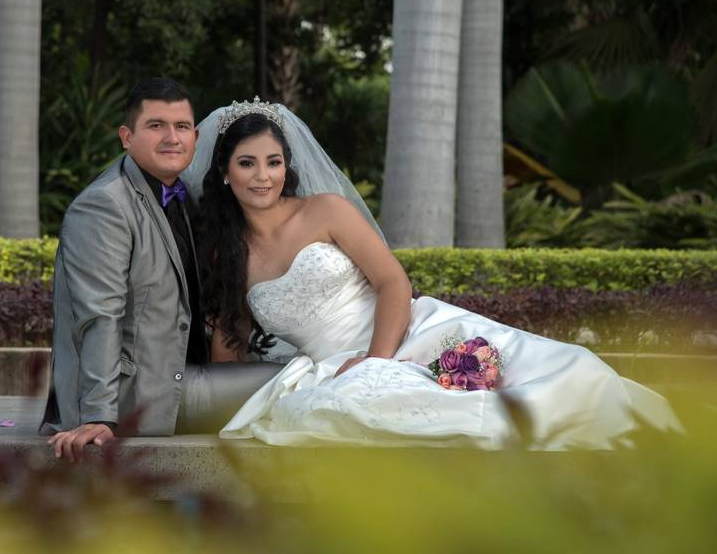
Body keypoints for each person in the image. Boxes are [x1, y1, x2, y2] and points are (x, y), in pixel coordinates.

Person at [186, 99, 682, 449]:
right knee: (360, 411)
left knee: (566, 374)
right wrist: (215, 402)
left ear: (286, 166)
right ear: (226, 173)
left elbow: (392, 282)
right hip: (331, 369)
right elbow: (230, 339)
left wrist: (376, 362)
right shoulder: (225, 255)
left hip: (404, 331)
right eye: (247, 163)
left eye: (273, 162)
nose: (262, 175)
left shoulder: (325, 211)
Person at [40, 79, 282, 461]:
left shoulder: (181, 195)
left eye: (181, 127)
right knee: (293, 381)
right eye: (156, 126)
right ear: (126, 136)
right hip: (136, 397)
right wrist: (101, 416)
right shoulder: (105, 206)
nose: (172, 137)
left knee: (301, 372)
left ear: (196, 136)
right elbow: (99, 315)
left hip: (175, 375)